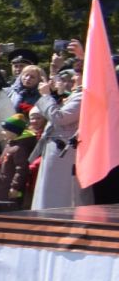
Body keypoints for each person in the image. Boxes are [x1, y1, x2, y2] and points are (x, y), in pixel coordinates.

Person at [32, 69, 91, 210]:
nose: (72, 78)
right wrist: (53, 93)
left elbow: (60, 118)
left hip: (64, 151)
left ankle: (56, 219)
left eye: (77, 74)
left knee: (59, 192)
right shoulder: (74, 95)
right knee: (50, 190)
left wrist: (46, 96)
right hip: (58, 149)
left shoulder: (82, 97)